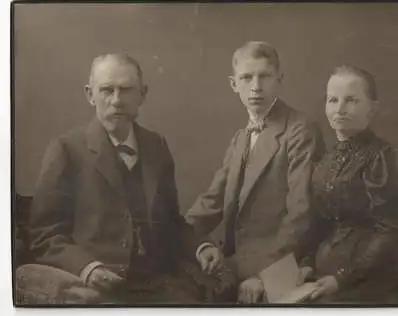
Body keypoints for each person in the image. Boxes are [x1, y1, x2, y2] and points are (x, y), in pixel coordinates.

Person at [25, 53, 221, 304]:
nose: (117, 100)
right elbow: (45, 235)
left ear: (143, 94)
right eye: (107, 90)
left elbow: (171, 221)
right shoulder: (66, 149)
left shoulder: (155, 146)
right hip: (98, 285)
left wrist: (201, 246)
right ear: (90, 94)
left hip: (158, 282)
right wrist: (88, 268)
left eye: (126, 90)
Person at [185, 41, 324, 303]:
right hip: (234, 262)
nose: (256, 87)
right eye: (247, 77)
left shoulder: (300, 130)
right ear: (234, 84)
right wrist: (187, 238)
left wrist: (264, 275)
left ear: (280, 79)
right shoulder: (240, 137)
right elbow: (211, 202)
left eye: (265, 76)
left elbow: (301, 216)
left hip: (281, 265)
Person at [301, 65, 398, 304]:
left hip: (367, 285)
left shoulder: (387, 160)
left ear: (372, 109)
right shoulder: (326, 161)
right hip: (321, 279)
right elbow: (320, 223)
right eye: (333, 100)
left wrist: (341, 279)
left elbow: (389, 235)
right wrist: (306, 265)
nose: (340, 109)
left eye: (351, 100)